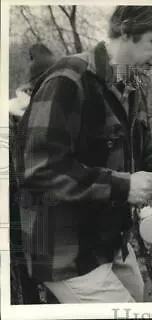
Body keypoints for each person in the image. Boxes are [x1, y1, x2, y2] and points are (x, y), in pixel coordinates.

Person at [17, 6, 152, 304]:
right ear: (126, 32)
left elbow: (143, 157)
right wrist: (124, 186)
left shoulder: (132, 86)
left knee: (137, 298)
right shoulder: (69, 79)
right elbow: (40, 169)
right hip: (65, 249)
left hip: (109, 241)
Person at [9, 43, 57, 304]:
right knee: (25, 282)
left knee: (55, 281)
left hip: (50, 211)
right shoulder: (10, 117)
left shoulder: (53, 111)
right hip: (19, 210)